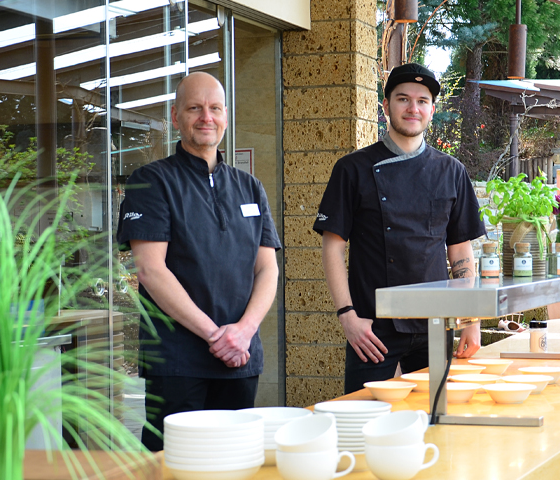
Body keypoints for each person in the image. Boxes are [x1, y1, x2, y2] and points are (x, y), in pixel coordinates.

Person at [116, 72, 280, 451]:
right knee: (173, 465)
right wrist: (214, 335)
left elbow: (267, 268)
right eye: (194, 108)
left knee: (236, 462)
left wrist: (243, 332)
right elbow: (151, 270)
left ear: (225, 117)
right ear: (176, 117)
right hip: (178, 362)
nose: (206, 117)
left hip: (239, 359)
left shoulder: (249, 186)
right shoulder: (151, 182)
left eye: (215, 108)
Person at [314, 63, 486, 394]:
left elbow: (461, 252)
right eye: (403, 99)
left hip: (435, 323)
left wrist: (469, 321)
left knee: (434, 415)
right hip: (372, 326)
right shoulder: (352, 169)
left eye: (422, 101)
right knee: (363, 417)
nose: (413, 108)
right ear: (386, 106)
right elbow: (332, 248)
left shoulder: (452, 171)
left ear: (432, 110)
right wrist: (347, 316)